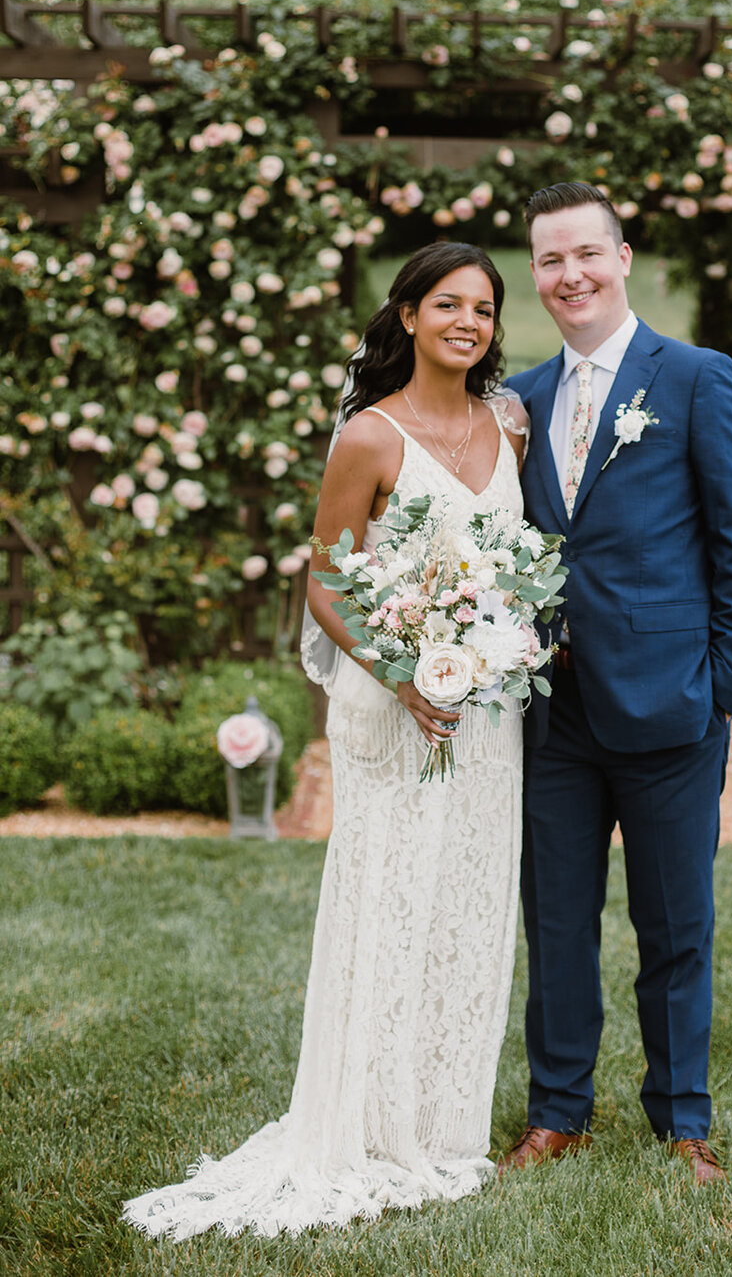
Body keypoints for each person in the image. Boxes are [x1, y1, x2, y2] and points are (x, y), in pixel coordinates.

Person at [123, 243, 529, 1238]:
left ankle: (438, 1119)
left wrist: (485, 653)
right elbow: (327, 579)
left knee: (465, 901)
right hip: (387, 705)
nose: (466, 323)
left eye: (482, 308)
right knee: (386, 896)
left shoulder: (505, 424)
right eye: (447, 304)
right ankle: (360, 1119)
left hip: (482, 707)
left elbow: (508, 566)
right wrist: (401, 675)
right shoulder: (370, 437)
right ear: (404, 317)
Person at [502, 182, 732, 1185]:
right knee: (558, 919)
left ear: (622, 257)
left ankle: (682, 1120)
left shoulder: (696, 379)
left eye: (584, 254)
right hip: (551, 711)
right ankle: (557, 1110)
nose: (568, 275)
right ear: (536, 275)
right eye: (548, 260)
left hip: (671, 706)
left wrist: (724, 691)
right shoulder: (520, 400)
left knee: (673, 926)